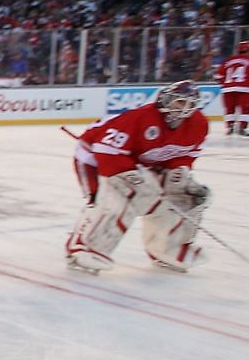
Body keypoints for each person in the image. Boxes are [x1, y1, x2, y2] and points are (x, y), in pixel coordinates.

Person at [66, 80, 209, 273]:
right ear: (166, 99)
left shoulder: (198, 125)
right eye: (179, 102)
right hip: (95, 156)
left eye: (189, 105)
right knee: (121, 196)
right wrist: (131, 177)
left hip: (137, 162)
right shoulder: (141, 118)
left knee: (185, 196)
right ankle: (84, 247)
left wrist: (179, 175)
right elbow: (105, 150)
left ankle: (169, 249)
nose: (183, 110)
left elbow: (182, 157)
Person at [216, 39, 249, 138]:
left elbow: (218, 76)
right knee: (245, 109)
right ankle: (242, 128)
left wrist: (226, 84)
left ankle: (230, 127)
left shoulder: (227, 60)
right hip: (244, 88)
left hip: (228, 89)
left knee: (229, 109)